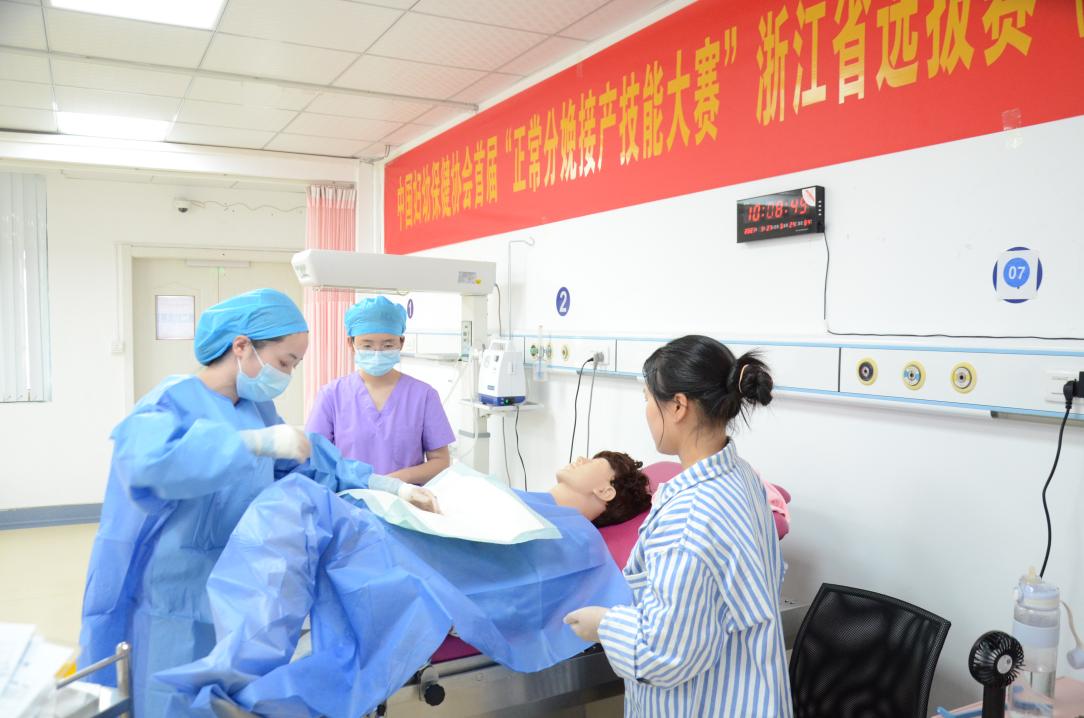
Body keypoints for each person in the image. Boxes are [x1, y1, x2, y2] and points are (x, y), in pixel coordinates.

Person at [78, 288, 438, 718]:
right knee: (169, 697)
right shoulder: (171, 401)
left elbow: (309, 464)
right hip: (171, 594)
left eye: (295, 365)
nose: (288, 374)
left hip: (236, 585)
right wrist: (248, 445)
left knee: (221, 694)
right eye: (285, 362)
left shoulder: (256, 409)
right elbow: (150, 465)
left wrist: (386, 486)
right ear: (242, 346)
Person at [159, 448, 652, 717]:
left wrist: (458, 603)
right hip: (387, 536)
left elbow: (523, 593)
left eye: (593, 459)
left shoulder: (578, 539)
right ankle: (238, 679)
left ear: (606, 488)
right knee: (294, 505)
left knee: (297, 505)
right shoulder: (528, 499)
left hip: (404, 564)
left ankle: (241, 685)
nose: (578, 458)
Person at [564, 335, 791, 717]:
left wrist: (603, 624)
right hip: (752, 693)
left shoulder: (688, 519)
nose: (647, 412)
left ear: (678, 406)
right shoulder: (743, 477)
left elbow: (664, 654)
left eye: (648, 399)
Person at [306, 296, 456, 484]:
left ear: (401, 342)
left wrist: (393, 482)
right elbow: (316, 459)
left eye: (388, 345)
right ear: (351, 343)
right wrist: (362, 482)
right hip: (347, 497)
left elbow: (440, 461)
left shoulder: (424, 396)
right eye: (367, 345)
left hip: (405, 498)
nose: (377, 352)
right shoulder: (331, 396)